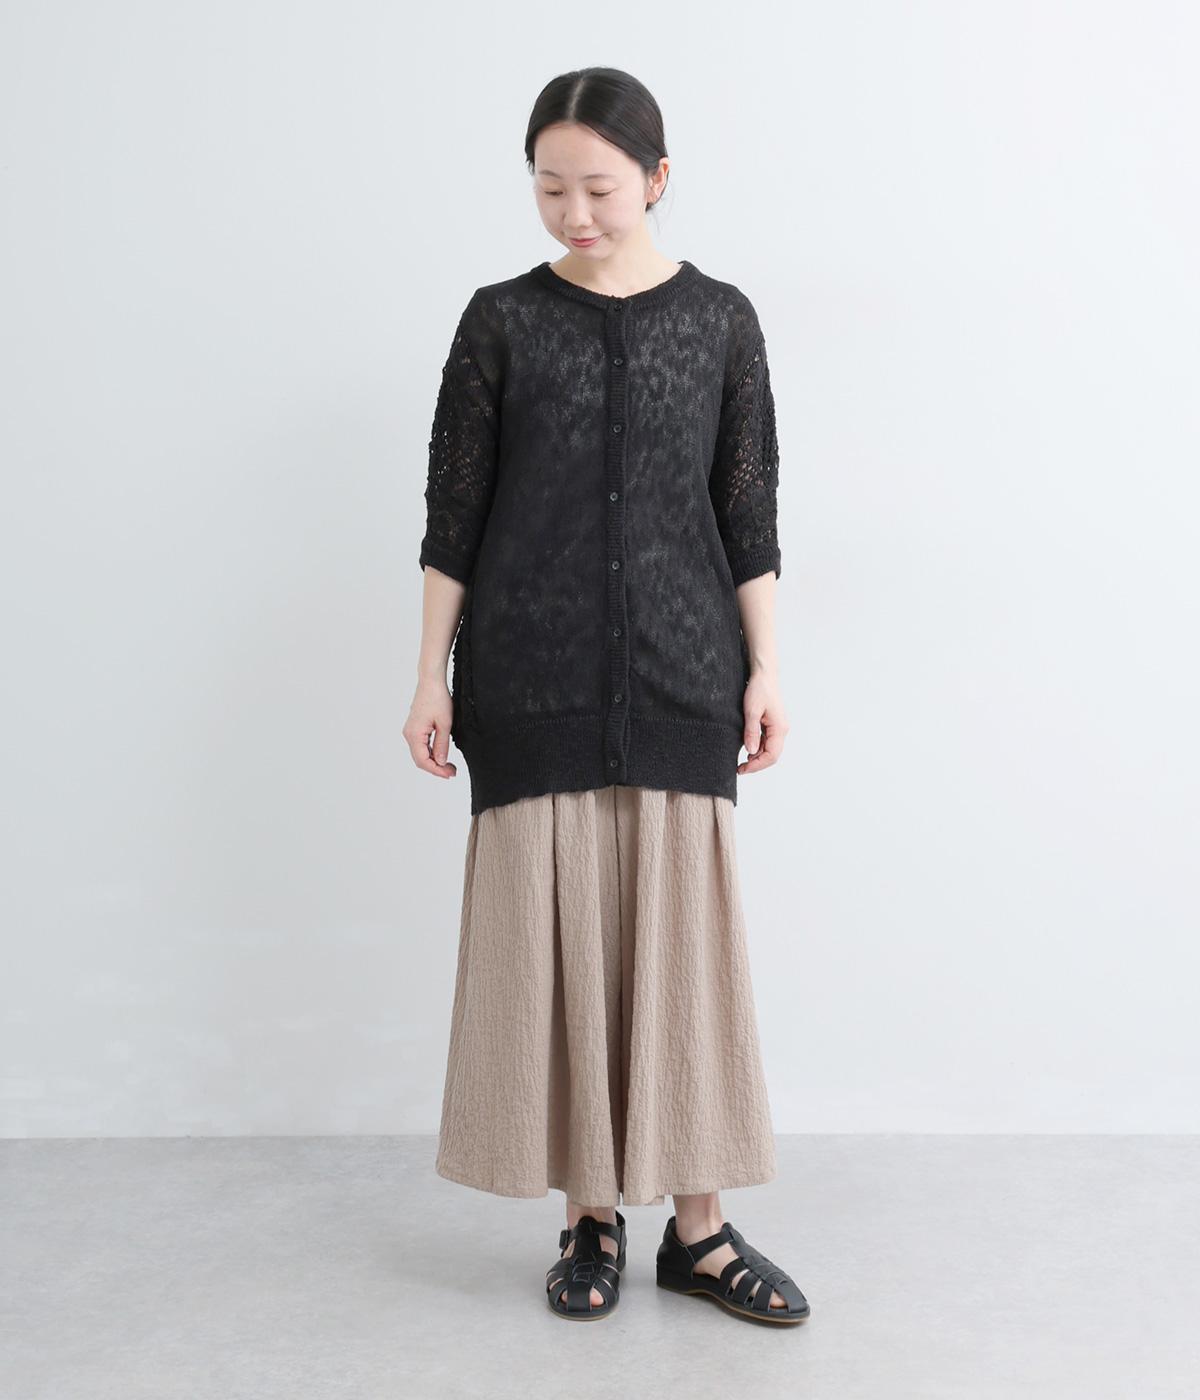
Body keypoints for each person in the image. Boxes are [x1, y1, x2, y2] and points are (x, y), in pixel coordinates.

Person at [404, 66, 811, 1326]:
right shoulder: (500, 322)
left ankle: (699, 1229)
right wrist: (428, 673)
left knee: (682, 957)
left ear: (658, 178)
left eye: (598, 188)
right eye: (549, 190)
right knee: (562, 947)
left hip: (684, 674)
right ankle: (589, 1214)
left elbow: (747, 511)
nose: (574, 213)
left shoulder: (722, 320)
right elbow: (455, 514)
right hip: (529, 676)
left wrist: (767, 664)